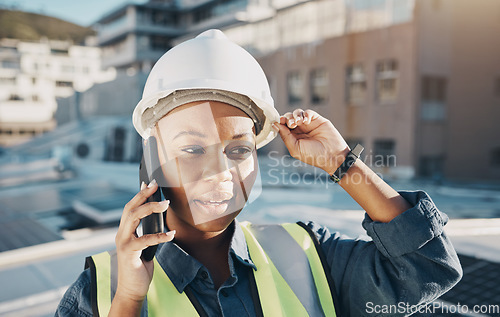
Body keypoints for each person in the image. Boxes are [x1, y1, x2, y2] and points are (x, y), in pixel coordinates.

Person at [55, 29, 462, 317]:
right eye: (192, 149)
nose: (220, 172)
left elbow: (428, 267)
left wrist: (342, 162)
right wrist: (127, 299)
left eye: (238, 149)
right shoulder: (98, 291)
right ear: (151, 158)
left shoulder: (306, 253)